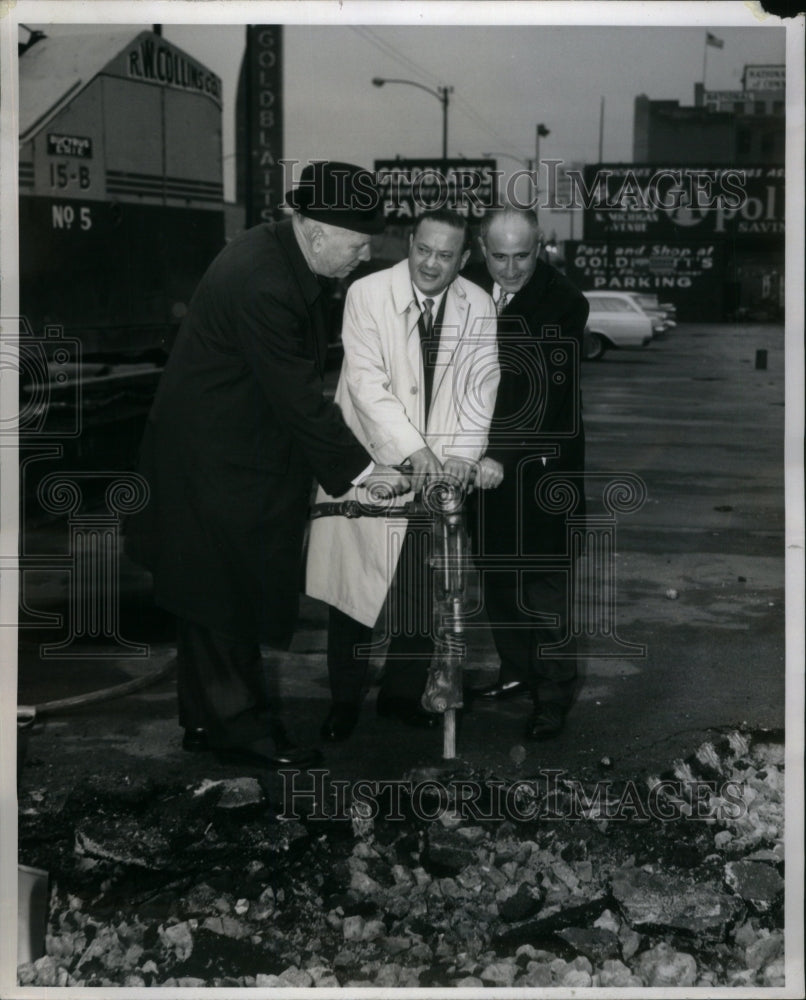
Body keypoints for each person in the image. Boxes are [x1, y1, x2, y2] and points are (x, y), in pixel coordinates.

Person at [126, 161, 410, 767]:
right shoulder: (266, 280)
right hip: (214, 460)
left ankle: (207, 722)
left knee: (208, 594)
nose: (364, 255)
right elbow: (297, 396)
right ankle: (243, 730)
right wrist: (367, 472)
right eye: (358, 242)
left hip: (216, 449)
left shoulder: (276, 254)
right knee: (225, 593)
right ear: (316, 231)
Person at [305, 209, 500, 740]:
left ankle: (398, 695)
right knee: (353, 597)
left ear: (463, 260)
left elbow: (480, 388)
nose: (430, 264)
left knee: (418, 591)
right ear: (409, 243)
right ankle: (343, 703)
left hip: (435, 474)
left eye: (445, 256)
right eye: (423, 249)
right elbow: (367, 388)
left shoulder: (478, 304)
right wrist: (416, 454)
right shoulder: (367, 294)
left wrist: (460, 455)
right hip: (370, 464)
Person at [467, 205, 589, 740]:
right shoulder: (467, 285)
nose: (511, 269)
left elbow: (542, 396)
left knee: (544, 595)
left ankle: (554, 696)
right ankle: (517, 673)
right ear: (481, 248)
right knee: (497, 581)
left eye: (523, 256)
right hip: (482, 473)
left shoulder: (564, 302)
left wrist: (499, 456)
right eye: (500, 256)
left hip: (540, 476)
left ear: (539, 248)